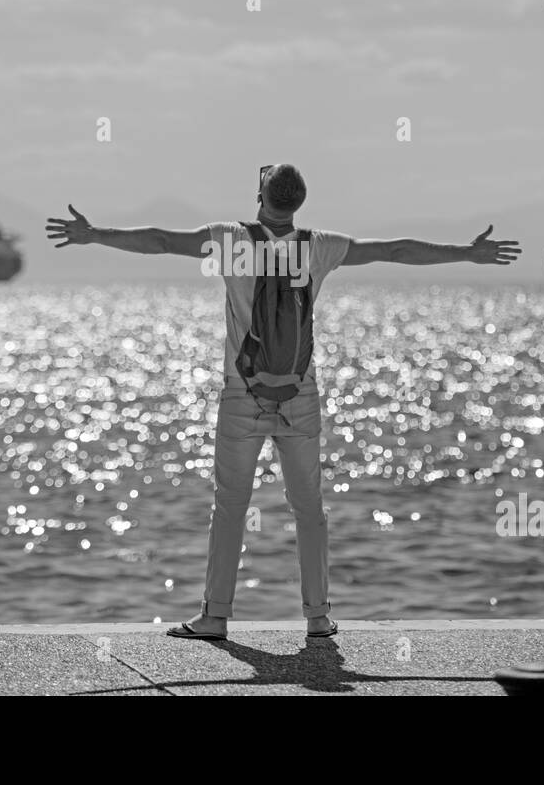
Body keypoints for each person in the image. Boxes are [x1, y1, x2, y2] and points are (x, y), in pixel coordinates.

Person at [45, 164, 520, 639]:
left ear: (260, 194)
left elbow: (160, 241)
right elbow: (395, 250)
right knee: (308, 508)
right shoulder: (319, 246)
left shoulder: (230, 240)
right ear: (298, 203)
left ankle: (215, 616)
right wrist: (468, 253)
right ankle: (317, 617)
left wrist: (93, 235)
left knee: (231, 506)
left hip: (242, 392)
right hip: (300, 393)